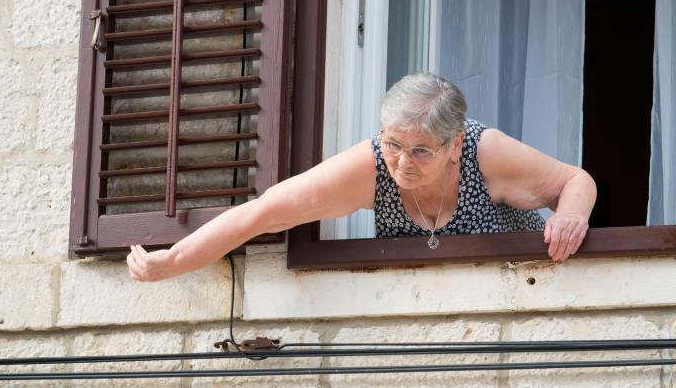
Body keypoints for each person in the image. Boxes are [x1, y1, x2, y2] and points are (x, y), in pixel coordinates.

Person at [127, 73, 597, 282]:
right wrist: (173, 261)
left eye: (420, 151)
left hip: (517, 296)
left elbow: (576, 181)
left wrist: (571, 216)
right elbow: (265, 213)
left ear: (455, 145)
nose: (402, 163)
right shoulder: (372, 164)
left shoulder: (485, 151)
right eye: (393, 144)